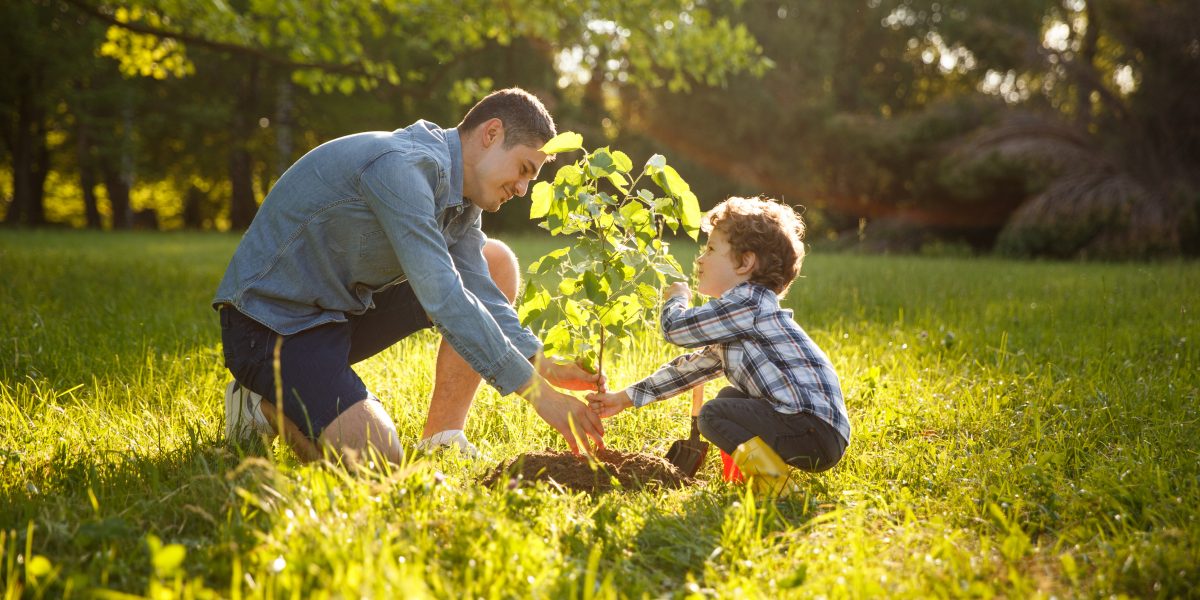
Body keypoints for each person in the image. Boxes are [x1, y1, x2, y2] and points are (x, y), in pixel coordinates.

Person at [214, 87, 605, 465]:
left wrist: (541, 362)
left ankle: (443, 438)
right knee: (378, 462)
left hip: (338, 313)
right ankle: (260, 404)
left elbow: (479, 289)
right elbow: (444, 297)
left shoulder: (463, 198)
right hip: (270, 327)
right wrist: (540, 395)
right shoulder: (402, 167)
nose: (522, 189)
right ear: (491, 133)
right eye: (523, 170)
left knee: (494, 261)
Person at [586, 197, 850, 495]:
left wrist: (677, 299)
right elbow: (689, 370)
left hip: (811, 429)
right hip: (817, 431)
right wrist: (624, 398)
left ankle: (779, 490)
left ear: (746, 262)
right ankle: (750, 480)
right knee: (729, 397)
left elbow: (676, 329)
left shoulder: (748, 302)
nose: (699, 259)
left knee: (713, 415)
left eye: (710, 249)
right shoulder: (742, 319)